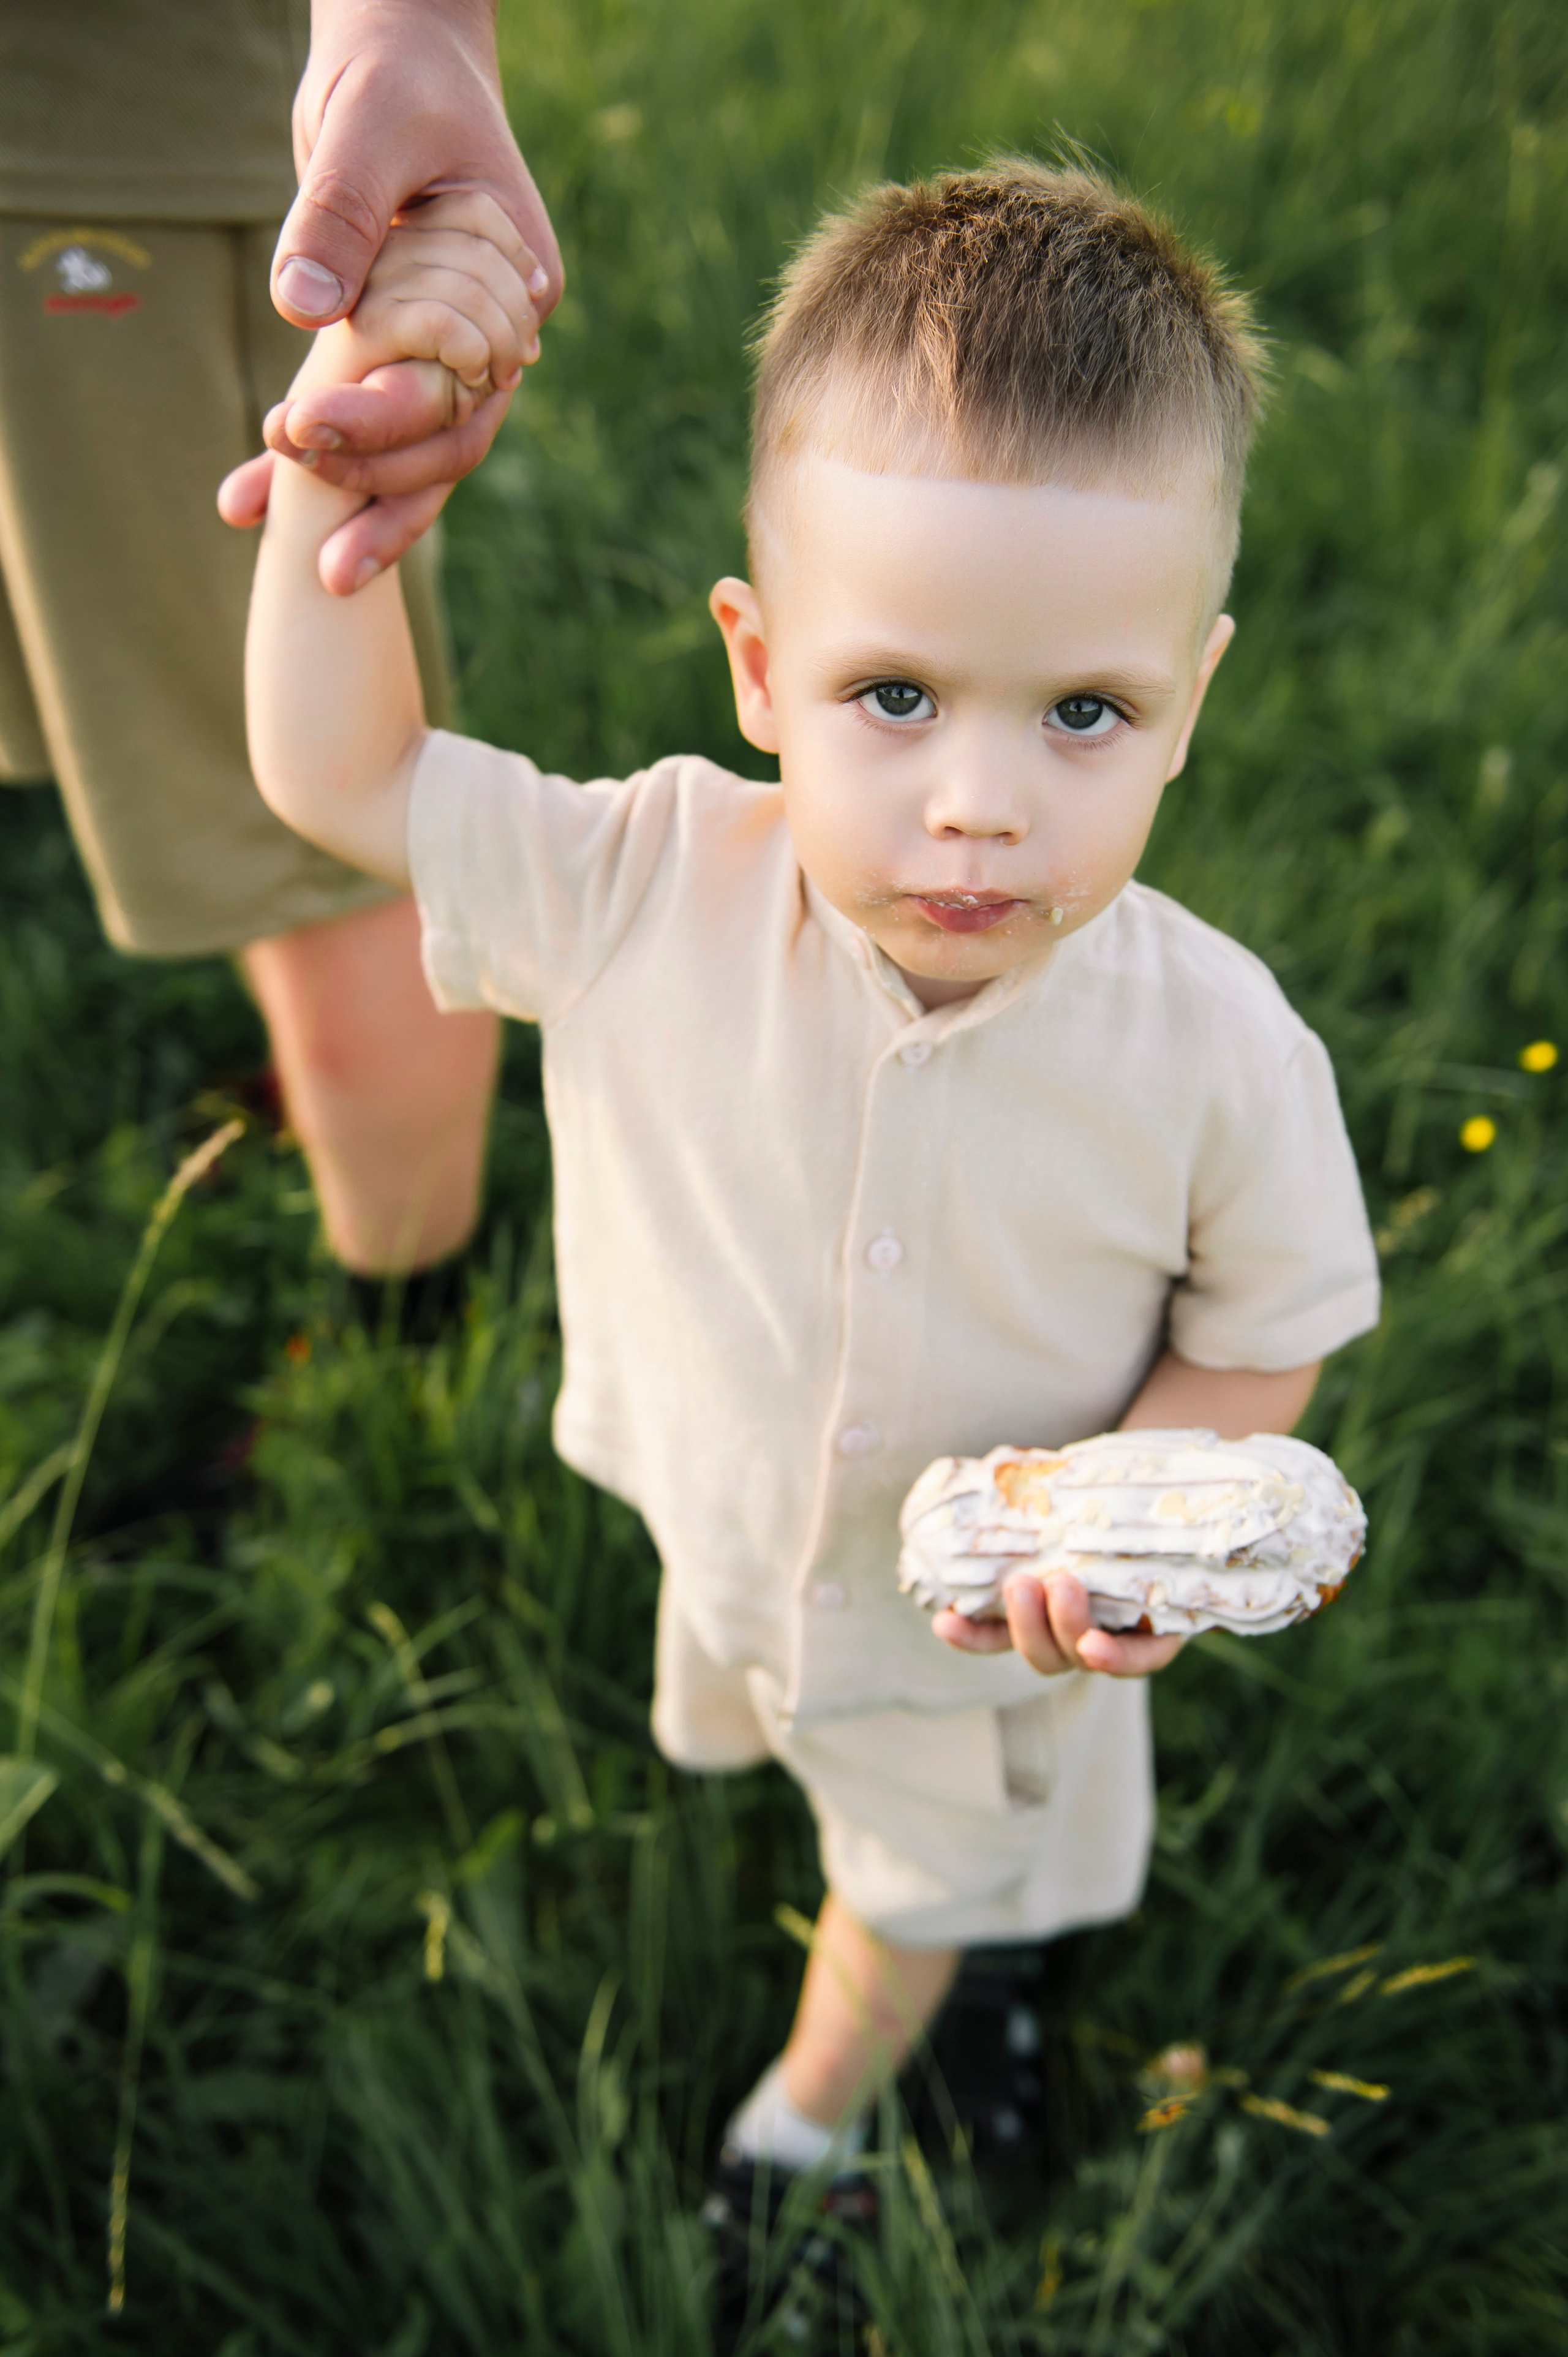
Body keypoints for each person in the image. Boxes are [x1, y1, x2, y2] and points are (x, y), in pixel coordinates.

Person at [241, 164, 1380, 2300]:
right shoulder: (643, 883)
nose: (981, 802)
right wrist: (334, 467)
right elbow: (346, 778)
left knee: (931, 1877)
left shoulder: (1221, 1046)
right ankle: (949, 1946)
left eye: (1085, 713)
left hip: (984, 1637)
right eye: (897, 696)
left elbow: (1266, 1329)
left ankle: (812, 2114)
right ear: (759, 667)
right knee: (804, 1761)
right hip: (739, 1522)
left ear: (1192, 700)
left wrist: (1136, 1509)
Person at [0, 0, 559, 1317]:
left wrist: (411, 23)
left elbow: (357, 803)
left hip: (117, 146)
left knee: (319, 842)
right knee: (132, 697)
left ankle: (406, 1335)